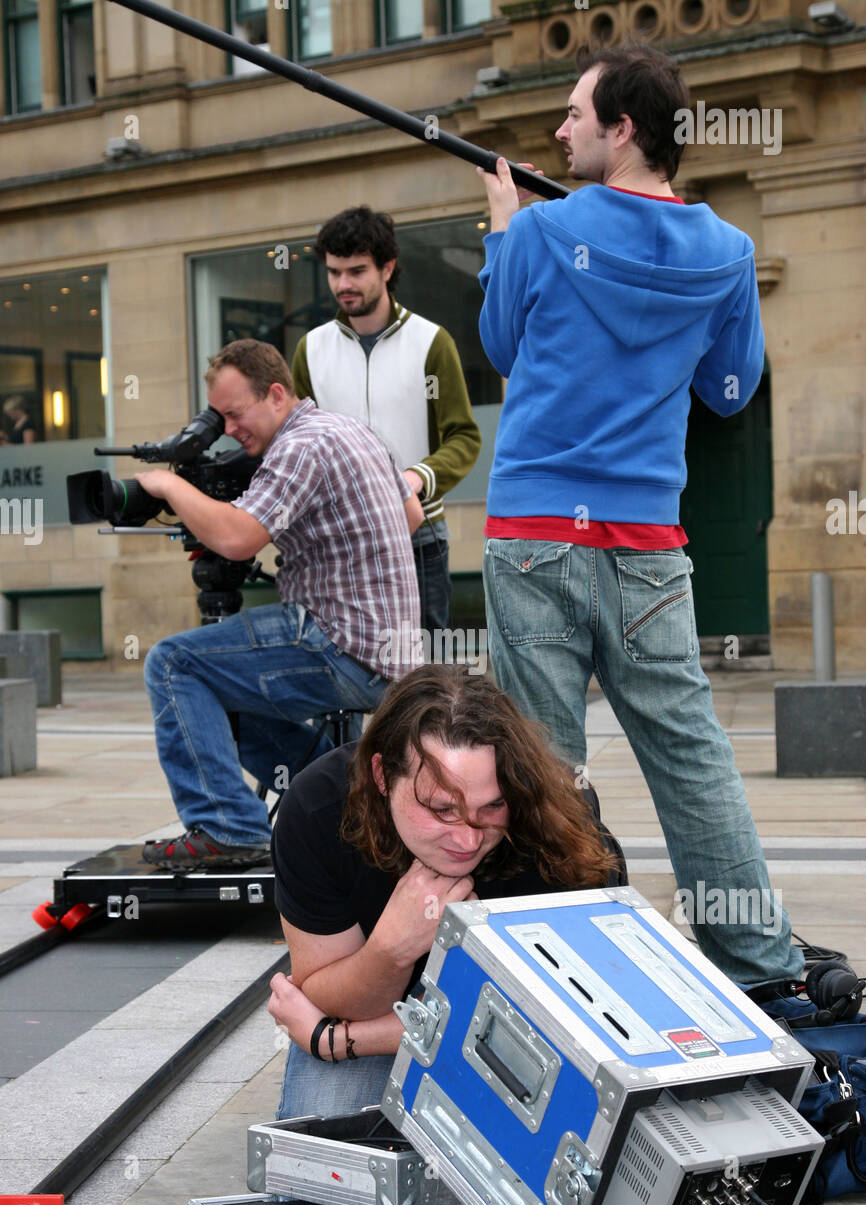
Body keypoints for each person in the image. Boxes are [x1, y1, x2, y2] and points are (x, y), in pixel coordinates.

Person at [474, 42, 802, 989]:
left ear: (621, 129)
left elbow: (502, 343)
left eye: (575, 115)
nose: (559, 129)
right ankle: (761, 960)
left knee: (543, 763)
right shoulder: (728, 251)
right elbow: (734, 391)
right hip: (650, 543)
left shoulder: (541, 235)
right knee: (691, 755)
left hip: (536, 530)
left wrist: (504, 232)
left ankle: (552, 965)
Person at [267, 662, 625, 1119]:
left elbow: (556, 1032)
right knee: (330, 1150)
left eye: (492, 806)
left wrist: (337, 1041)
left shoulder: (554, 822)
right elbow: (326, 996)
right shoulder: (317, 808)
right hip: (378, 1007)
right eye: (441, 809)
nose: (469, 839)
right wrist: (390, 951)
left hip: (508, 1036)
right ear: (381, 776)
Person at [136, 338, 421, 869]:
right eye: (219, 419)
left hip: (339, 641)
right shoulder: (356, 429)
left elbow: (240, 539)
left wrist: (167, 487)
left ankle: (229, 828)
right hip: (390, 655)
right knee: (217, 695)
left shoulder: (300, 444)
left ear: (275, 394)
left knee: (173, 664)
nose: (229, 429)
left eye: (235, 414)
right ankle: (348, 803)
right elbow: (411, 519)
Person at [292, 206, 482, 638]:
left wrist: (417, 477)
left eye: (357, 271)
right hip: (339, 544)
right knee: (336, 678)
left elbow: (463, 437)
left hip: (419, 537)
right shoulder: (311, 349)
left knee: (424, 677)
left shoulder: (432, 342)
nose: (344, 285)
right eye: (334, 272)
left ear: (388, 267)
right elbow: (299, 444)